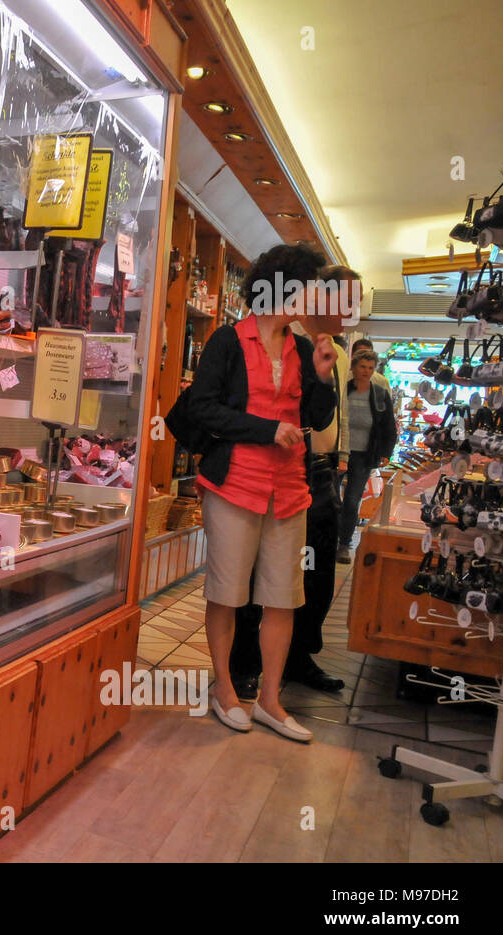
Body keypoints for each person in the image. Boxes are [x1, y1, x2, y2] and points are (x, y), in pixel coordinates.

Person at [188, 244, 337, 743]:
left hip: (288, 490)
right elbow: (203, 408)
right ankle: (225, 689)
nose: (313, 297)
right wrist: (266, 429)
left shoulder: (300, 347)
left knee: (282, 598)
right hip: (234, 486)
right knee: (227, 593)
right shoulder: (228, 340)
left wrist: (321, 375)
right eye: (308, 286)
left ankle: (271, 700)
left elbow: (315, 418)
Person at [230, 265, 360, 699]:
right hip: (277, 467)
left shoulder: (336, 350)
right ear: (322, 297)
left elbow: (329, 414)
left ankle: (299, 656)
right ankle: (245, 662)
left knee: (317, 573)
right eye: (349, 299)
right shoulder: (282, 336)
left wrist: (339, 460)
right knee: (260, 572)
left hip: (321, 472)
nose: (354, 308)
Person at [337, 348, 398, 563]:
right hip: (338, 453)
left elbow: (389, 426)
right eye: (362, 366)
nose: (366, 371)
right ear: (353, 367)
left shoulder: (380, 395)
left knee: (352, 500)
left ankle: (344, 543)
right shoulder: (343, 391)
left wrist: (386, 453)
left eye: (370, 368)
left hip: (364, 455)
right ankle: (328, 537)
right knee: (332, 499)